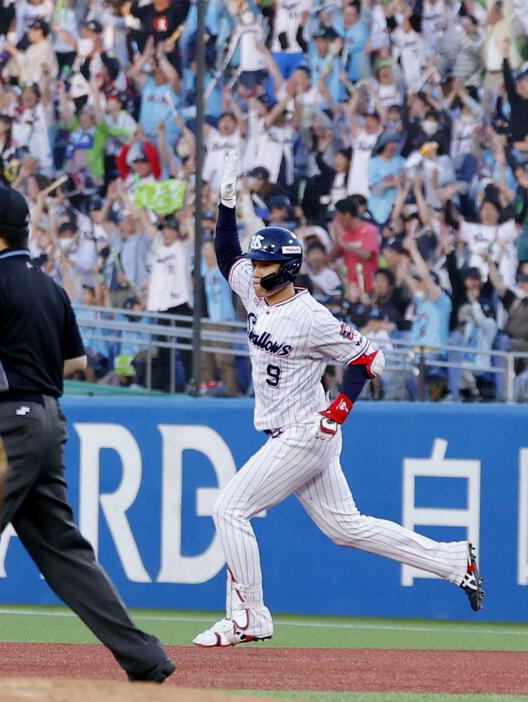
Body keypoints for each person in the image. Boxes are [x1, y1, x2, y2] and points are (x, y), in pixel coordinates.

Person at [192, 150, 483, 648]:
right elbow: (225, 255)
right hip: (294, 432)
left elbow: (370, 357)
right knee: (346, 528)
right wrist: (226, 204)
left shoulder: (310, 316)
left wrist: (338, 411)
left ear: (284, 269)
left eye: (263, 262)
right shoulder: (255, 293)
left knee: (230, 510)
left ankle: (250, 616)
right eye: (256, 260)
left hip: (306, 432)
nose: (254, 267)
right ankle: (454, 561)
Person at [0, 183, 175, 683]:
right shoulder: (49, 285)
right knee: (64, 553)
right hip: (48, 421)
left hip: (5, 424)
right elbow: (76, 360)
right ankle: (145, 657)